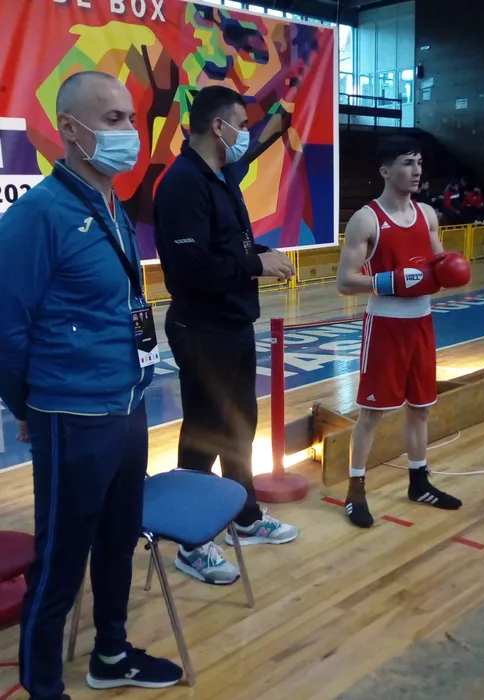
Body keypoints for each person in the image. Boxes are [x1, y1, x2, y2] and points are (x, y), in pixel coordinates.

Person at [0, 71, 182, 700]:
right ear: (70, 130)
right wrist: (27, 407)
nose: (130, 131)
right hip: (72, 415)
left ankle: (110, 652)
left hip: (128, 404)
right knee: (60, 559)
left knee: (117, 539)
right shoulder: (37, 217)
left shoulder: (110, 205)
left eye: (130, 118)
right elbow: (7, 333)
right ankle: (43, 685)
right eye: (112, 120)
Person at [153, 85, 299, 586]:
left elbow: (229, 245)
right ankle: (190, 542)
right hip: (201, 328)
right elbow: (189, 270)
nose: (246, 134)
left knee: (239, 426)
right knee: (204, 432)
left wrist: (261, 253)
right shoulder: (182, 185)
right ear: (219, 126)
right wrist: (255, 265)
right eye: (242, 124)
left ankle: (245, 515)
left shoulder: (219, 176)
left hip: (233, 323)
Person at [336, 135, 464, 529]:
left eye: (419, 163)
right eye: (408, 163)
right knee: (372, 412)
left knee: (421, 407)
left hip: (421, 323)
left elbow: (437, 264)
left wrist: (449, 269)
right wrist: (389, 281)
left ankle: (419, 482)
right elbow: (344, 281)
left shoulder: (427, 214)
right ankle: (355, 490)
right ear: (385, 170)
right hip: (385, 325)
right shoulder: (367, 219)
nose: (417, 170)